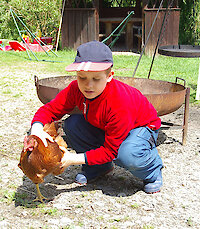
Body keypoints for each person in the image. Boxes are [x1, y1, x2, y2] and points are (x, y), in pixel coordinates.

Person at [31, 40, 163, 194]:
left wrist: (73, 159)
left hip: (141, 127)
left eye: (96, 79)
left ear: (109, 76)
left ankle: (152, 169)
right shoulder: (75, 89)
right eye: (82, 78)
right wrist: (36, 128)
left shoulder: (119, 101)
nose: (88, 85)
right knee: (73, 124)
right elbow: (50, 109)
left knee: (126, 154)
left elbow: (111, 151)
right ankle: (99, 167)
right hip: (109, 126)